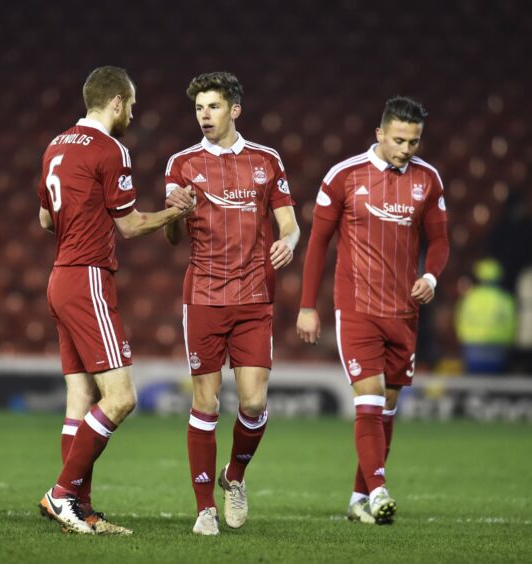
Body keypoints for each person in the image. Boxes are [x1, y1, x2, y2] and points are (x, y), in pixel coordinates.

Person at [36, 66, 194, 535]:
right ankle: (62, 494)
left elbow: (46, 220)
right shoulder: (111, 148)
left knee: (81, 397)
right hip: (87, 278)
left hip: (60, 277)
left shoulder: (55, 146)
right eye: (133, 104)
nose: (134, 113)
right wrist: (176, 211)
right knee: (121, 398)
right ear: (118, 103)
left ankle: (78, 510)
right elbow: (127, 225)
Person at [296, 96, 449, 525]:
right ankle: (380, 490)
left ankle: (358, 498)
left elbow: (439, 241)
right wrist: (308, 306)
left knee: (388, 408)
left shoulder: (428, 179)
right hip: (358, 307)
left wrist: (432, 277)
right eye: (399, 139)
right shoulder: (343, 176)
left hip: (404, 310)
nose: (406, 149)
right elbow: (318, 245)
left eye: (414, 141)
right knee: (370, 397)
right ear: (380, 133)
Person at [164, 71, 300, 535]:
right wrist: (174, 214)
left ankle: (234, 477)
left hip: (255, 297)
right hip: (203, 296)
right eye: (199, 107)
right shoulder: (181, 163)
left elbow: (289, 223)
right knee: (205, 403)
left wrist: (290, 241)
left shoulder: (267, 160)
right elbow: (169, 235)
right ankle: (205, 508)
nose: (204, 114)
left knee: (254, 403)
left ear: (235, 110)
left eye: (213, 106)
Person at [455, 258, 516, 374]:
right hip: (498, 349)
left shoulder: (469, 298)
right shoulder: (505, 299)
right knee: (496, 386)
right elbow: (511, 326)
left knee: (474, 384)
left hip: (472, 349)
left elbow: (460, 323)